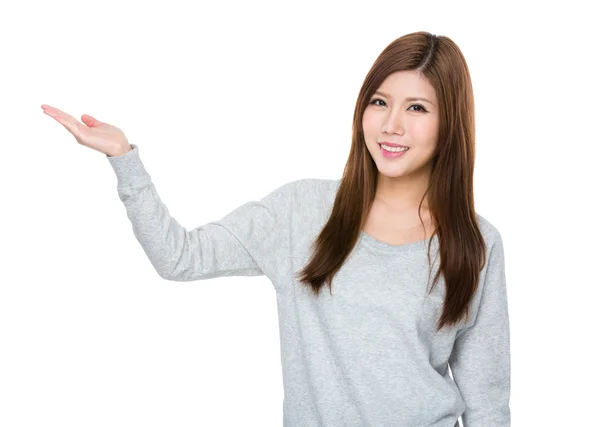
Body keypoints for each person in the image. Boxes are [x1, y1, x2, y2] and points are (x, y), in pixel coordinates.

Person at [41, 31, 510, 427]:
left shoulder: (476, 243)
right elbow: (180, 258)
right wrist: (125, 160)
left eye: (417, 109)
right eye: (380, 102)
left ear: (450, 123)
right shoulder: (300, 212)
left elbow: (486, 398)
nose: (391, 125)